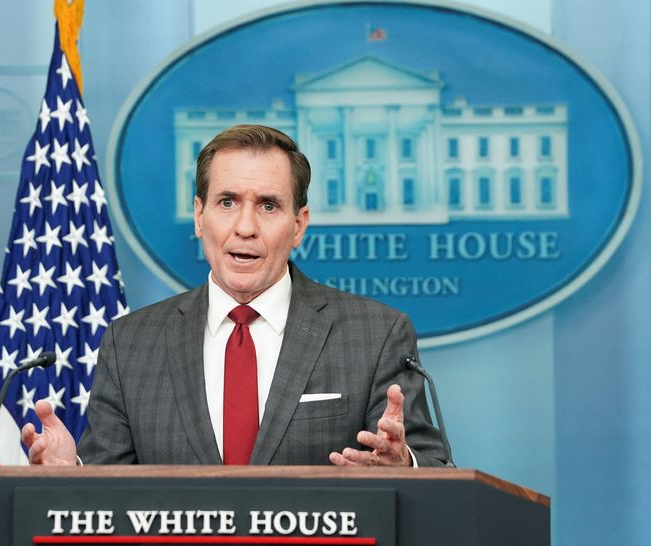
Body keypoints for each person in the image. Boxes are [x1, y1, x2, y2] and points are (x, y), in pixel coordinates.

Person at [22, 124, 447, 467]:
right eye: (226, 202)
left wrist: (404, 466)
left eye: (267, 206)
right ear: (198, 216)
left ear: (298, 225)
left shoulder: (375, 335)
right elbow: (106, 492)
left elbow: (434, 469)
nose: (245, 226)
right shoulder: (130, 343)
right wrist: (68, 476)